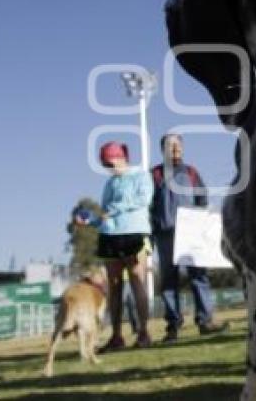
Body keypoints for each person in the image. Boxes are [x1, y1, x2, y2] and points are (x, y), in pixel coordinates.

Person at [76, 141, 154, 350]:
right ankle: (116, 336)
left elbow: (144, 200)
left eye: (110, 162)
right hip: (110, 236)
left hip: (134, 233)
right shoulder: (110, 184)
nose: (109, 167)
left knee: (138, 282)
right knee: (115, 287)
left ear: (121, 157)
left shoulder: (140, 175)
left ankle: (144, 333)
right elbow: (104, 215)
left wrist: (115, 208)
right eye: (105, 164)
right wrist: (90, 220)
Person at [150, 134, 226, 342]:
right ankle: (173, 326)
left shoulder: (191, 172)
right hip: (165, 234)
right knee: (168, 280)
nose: (175, 148)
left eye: (178, 145)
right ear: (162, 149)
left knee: (199, 276)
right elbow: (149, 204)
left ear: (182, 149)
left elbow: (202, 197)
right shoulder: (154, 174)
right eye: (170, 145)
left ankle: (205, 321)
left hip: (191, 232)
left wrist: (201, 221)